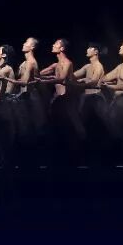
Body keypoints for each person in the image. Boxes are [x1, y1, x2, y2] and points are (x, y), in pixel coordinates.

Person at [40, 38, 84, 166]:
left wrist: (46, 80)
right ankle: (59, 159)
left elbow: (62, 79)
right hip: (57, 100)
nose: (53, 45)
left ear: (62, 48)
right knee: (57, 129)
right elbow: (40, 73)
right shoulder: (56, 65)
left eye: (56, 44)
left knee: (67, 130)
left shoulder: (68, 63)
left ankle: (72, 160)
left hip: (66, 101)